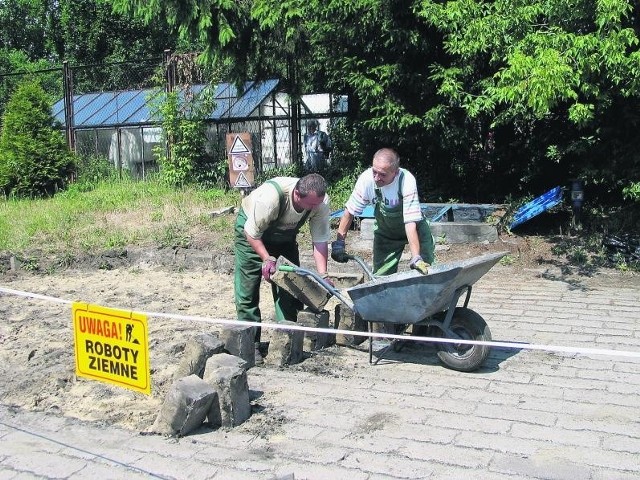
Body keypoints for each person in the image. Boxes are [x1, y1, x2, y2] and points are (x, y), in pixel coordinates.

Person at [234, 173, 332, 365]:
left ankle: (287, 340)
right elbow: (251, 233)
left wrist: (323, 275)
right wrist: (266, 258)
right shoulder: (270, 199)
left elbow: (319, 239)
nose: (315, 208)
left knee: (291, 288)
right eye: (311, 205)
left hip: (284, 240)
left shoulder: (320, 201)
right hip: (252, 235)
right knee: (248, 291)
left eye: (317, 204)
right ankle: (250, 344)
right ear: (297, 194)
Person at [331, 148, 435, 276]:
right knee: (381, 277)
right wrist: (339, 243)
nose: (376, 177)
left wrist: (416, 257)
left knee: (425, 272)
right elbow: (350, 211)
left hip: (416, 229)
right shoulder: (366, 180)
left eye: (383, 174)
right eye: (375, 171)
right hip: (387, 234)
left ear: (395, 172)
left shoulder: (406, 180)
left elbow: (410, 222)